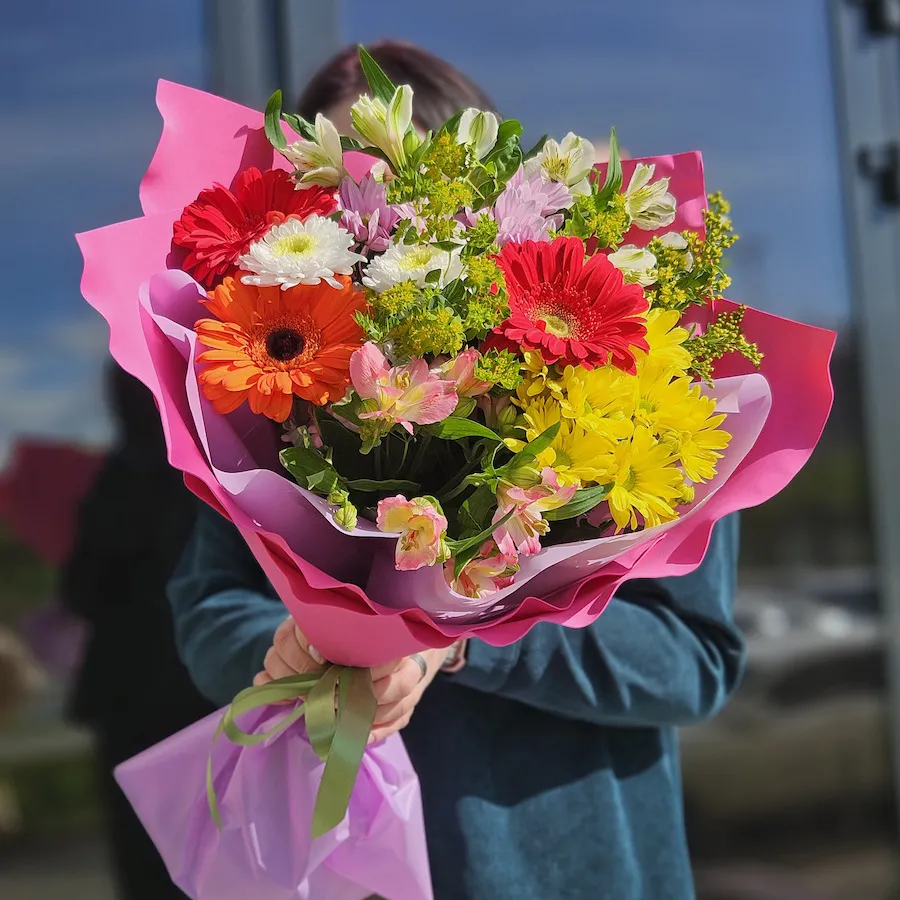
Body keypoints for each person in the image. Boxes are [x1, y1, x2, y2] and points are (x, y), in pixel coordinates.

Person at [168, 41, 745, 900]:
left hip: (573, 869)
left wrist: (460, 640)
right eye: (329, 193)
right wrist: (294, 650)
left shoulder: (630, 388)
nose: (357, 212)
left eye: (382, 175)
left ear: (467, 186)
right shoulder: (270, 397)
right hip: (351, 869)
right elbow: (210, 606)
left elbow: (692, 661)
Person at [61, 364, 216, 900]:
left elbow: (78, 592)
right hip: (208, 689)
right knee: (220, 853)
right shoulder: (208, 469)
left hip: (129, 691)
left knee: (146, 860)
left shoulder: (112, 482)